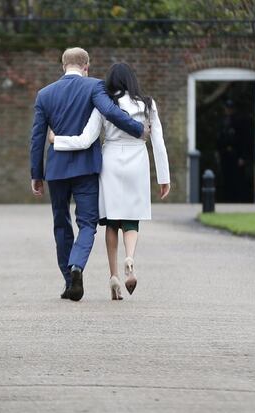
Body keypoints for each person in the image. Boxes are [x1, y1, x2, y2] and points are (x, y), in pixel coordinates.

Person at [30, 47, 149, 302]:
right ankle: (77, 266)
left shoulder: (44, 94)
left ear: (63, 66)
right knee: (87, 223)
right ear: (86, 66)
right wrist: (138, 129)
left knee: (61, 223)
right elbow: (111, 113)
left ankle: (68, 279)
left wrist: (36, 174)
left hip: (57, 170)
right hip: (86, 169)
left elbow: (37, 138)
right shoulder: (95, 87)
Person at [50, 62, 170, 300]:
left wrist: (57, 140)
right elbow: (158, 142)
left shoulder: (104, 105)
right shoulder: (147, 104)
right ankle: (130, 258)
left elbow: (85, 140)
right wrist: (164, 177)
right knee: (131, 217)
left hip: (112, 160)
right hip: (137, 158)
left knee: (111, 220)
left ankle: (114, 274)